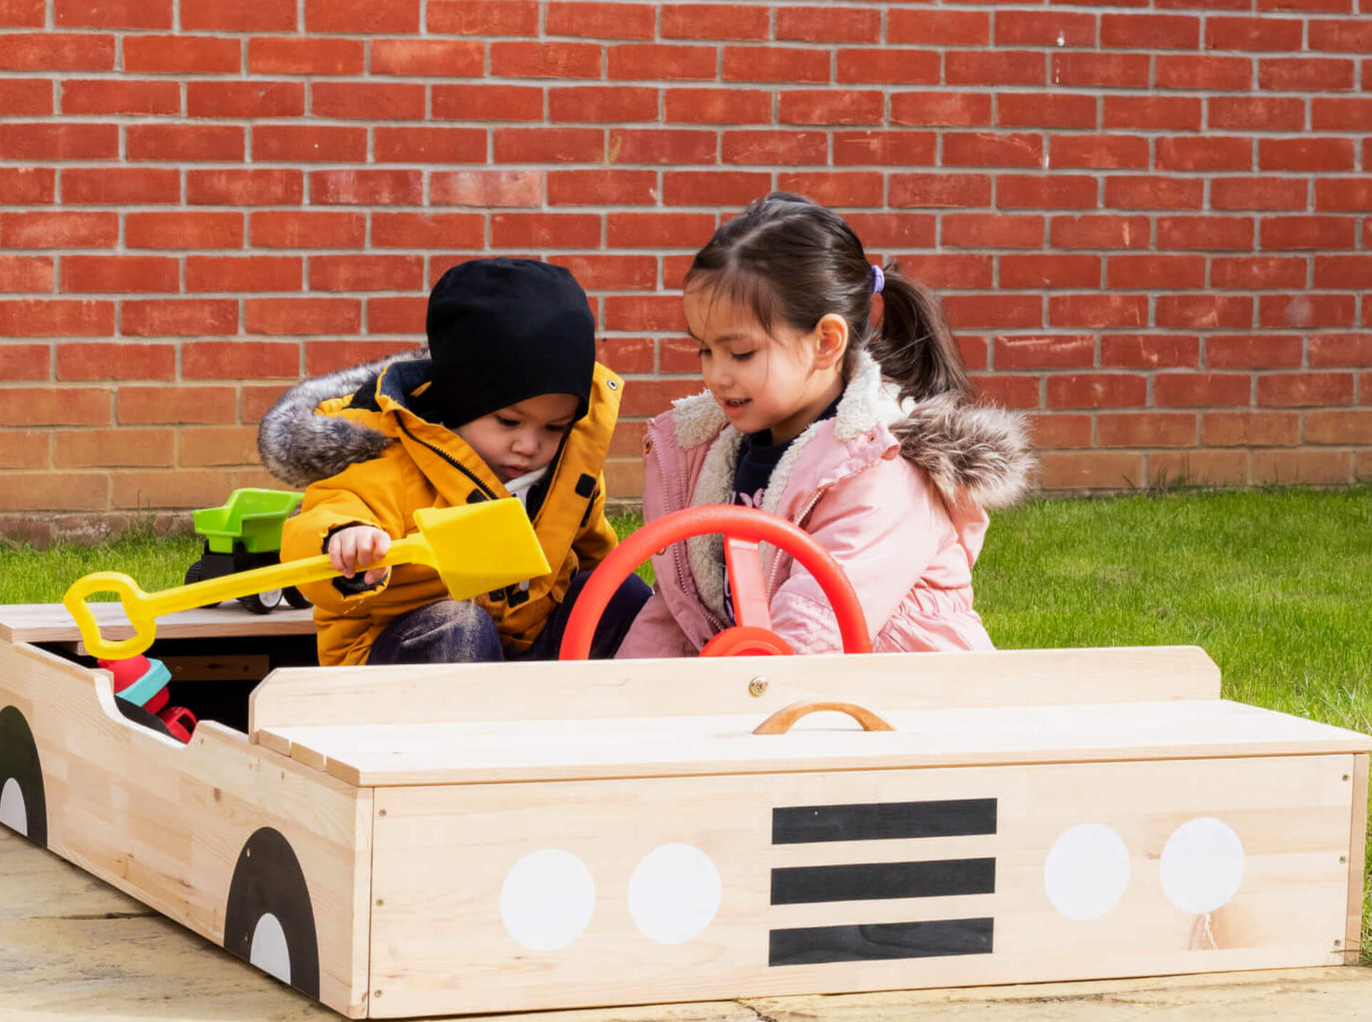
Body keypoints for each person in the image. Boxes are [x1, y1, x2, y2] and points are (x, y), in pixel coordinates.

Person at [616, 191, 1032, 658]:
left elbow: (817, 629)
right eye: (705, 350)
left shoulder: (882, 468)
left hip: (896, 707)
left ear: (826, 342)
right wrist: (621, 699)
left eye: (741, 353)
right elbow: (680, 613)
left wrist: (734, 703)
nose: (715, 374)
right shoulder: (707, 455)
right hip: (771, 693)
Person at [259, 257, 651, 666]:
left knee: (619, 593)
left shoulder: (569, 469)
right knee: (460, 625)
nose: (529, 445)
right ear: (458, 402)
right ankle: (471, 725)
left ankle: (610, 711)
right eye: (509, 421)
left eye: (554, 427)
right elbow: (320, 523)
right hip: (405, 658)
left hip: (525, 646)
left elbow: (595, 552)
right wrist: (344, 540)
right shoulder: (390, 456)